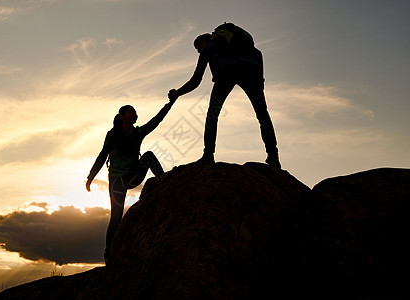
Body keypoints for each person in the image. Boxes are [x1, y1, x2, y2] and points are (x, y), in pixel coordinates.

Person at [168, 23, 281, 168]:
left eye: (198, 49)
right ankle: (273, 157)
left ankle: (208, 155)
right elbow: (259, 54)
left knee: (212, 115)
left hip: (226, 74)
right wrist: (260, 81)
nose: (199, 52)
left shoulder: (209, 47)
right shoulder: (243, 45)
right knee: (263, 115)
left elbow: (196, 80)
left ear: (203, 43)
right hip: (251, 72)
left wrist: (177, 93)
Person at [85, 99, 175, 265]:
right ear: (122, 116)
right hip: (117, 181)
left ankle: (163, 180)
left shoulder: (138, 133)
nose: (135, 114)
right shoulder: (112, 135)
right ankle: (108, 254)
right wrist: (91, 177)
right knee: (116, 218)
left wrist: (170, 103)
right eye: (131, 112)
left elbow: (157, 120)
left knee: (148, 155)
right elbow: (102, 155)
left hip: (133, 176)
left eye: (135, 112)